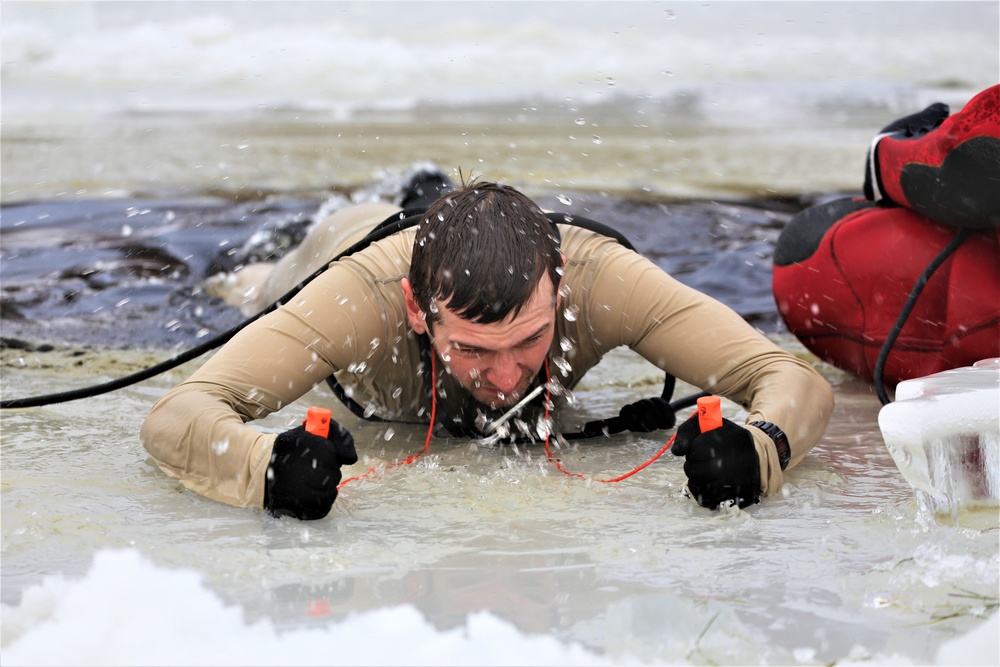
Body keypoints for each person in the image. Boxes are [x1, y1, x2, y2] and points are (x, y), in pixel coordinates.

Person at [140, 177, 834, 520]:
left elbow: (787, 377)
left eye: (530, 340)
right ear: (418, 311)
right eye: (473, 349)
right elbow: (176, 414)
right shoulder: (359, 300)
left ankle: (435, 191)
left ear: (559, 293)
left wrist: (761, 448)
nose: (504, 376)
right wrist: (266, 468)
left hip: (485, 237)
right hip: (340, 243)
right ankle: (402, 199)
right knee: (250, 282)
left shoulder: (600, 278)